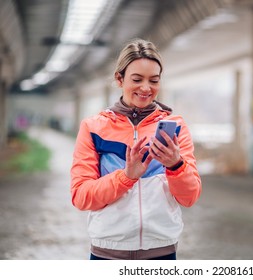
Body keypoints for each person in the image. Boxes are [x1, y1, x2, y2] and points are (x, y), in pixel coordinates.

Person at [70, 38, 202, 260]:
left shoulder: (176, 127)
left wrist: (176, 165)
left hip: (161, 252)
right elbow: (81, 197)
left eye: (154, 80)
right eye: (137, 79)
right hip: (107, 252)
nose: (146, 88)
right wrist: (126, 176)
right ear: (119, 78)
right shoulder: (93, 128)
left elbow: (189, 198)